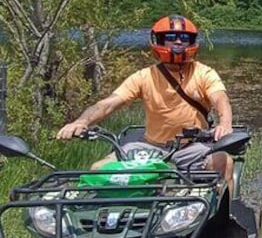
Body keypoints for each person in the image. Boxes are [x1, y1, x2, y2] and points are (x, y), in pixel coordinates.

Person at [56, 14, 235, 188]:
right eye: (171, 37)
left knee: (224, 162)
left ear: (192, 42)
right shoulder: (144, 76)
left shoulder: (204, 73)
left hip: (192, 146)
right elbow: (108, 104)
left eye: (184, 38)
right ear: (159, 40)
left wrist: (224, 123)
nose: (178, 42)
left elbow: (220, 99)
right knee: (98, 169)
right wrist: (82, 121)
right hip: (150, 146)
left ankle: (227, 214)